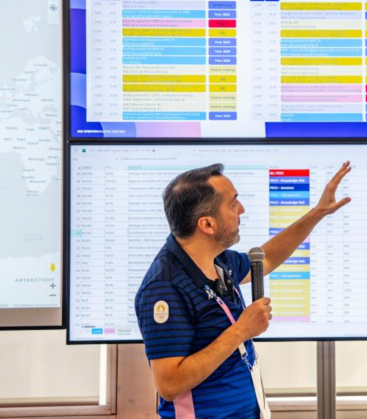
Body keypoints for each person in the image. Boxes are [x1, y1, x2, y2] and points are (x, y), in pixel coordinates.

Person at [135, 161, 352, 418]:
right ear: (207, 225)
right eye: (233, 203)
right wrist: (241, 330)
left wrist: (317, 213)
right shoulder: (164, 288)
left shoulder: (219, 260)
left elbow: (267, 258)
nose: (242, 210)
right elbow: (169, 384)